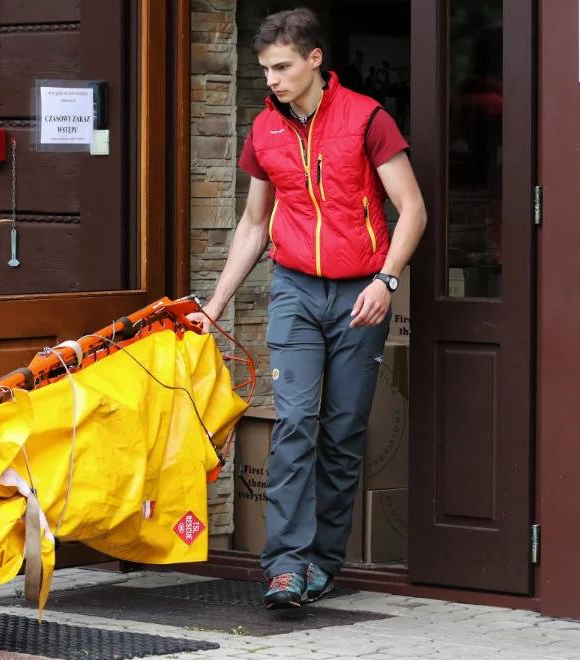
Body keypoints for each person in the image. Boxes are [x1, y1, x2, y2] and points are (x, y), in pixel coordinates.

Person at [188, 8, 426, 610]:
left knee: (343, 430)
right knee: (295, 423)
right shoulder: (264, 130)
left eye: (283, 66)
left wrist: (387, 281)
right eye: (265, 68)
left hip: (359, 294)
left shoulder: (367, 118)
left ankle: (324, 562)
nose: (272, 78)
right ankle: (286, 565)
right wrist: (216, 303)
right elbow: (252, 222)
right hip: (294, 289)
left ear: (315, 60)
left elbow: (412, 209)